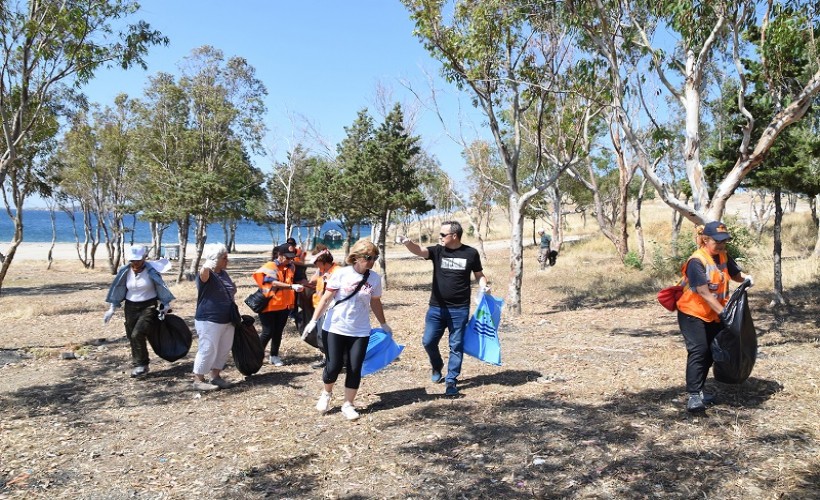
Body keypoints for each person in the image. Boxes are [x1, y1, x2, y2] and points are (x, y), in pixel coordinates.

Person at [304, 239, 391, 421]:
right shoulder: (342, 274)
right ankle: (327, 394)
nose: (372, 261)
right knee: (334, 365)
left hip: (360, 330)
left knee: (354, 368)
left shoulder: (374, 278)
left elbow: (375, 302)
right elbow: (326, 298)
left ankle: (348, 404)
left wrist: (383, 324)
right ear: (357, 257)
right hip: (335, 327)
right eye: (368, 257)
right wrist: (313, 321)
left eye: (375, 257)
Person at [398, 221, 488, 396]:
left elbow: (479, 274)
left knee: (456, 345)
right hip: (436, 308)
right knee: (428, 341)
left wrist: (484, 286)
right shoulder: (438, 251)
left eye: (442, 235)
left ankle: (451, 380)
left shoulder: (471, 253)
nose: (439, 237)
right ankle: (437, 365)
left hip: (459, 309)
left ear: (454, 236)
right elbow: (419, 250)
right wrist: (407, 242)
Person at [676, 221, 753, 413]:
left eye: (724, 241)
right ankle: (693, 396)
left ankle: (701, 391)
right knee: (699, 351)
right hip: (692, 312)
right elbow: (703, 292)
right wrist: (723, 312)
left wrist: (747, 278)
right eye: (716, 241)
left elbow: (735, 275)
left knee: (711, 351)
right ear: (705, 239)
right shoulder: (697, 261)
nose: (720, 245)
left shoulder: (723, 255)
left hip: (714, 313)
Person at [104, 245, 175, 378]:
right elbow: (118, 289)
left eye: (138, 260)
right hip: (130, 307)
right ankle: (140, 365)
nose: (135, 263)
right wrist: (112, 308)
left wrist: (166, 304)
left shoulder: (151, 271)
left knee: (138, 334)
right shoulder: (125, 271)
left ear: (144, 258)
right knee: (132, 336)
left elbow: (161, 287)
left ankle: (141, 365)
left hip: (148, 306)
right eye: (132, 260)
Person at [192, 243, 237, 391]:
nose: (227, 261)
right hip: (209, 319)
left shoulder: (224, 273)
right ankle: (198, 379)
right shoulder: (207, 274)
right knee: (207, 348)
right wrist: (207, 265)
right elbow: (203, 273)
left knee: (223, 348)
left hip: (227, 318)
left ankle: (215, 377)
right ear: (215, 259)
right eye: (224, 258)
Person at [252, 244, 304, 366]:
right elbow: (272, 282)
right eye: (287, 257)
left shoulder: (291, 266)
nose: (290, 260)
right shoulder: (270, 266)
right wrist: (291, 287)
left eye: (292, 257)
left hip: (284, 306)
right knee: (267, 332)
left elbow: (294, 280)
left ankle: (274, 356)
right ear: (279, 256)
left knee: (278, 332)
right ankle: (255, 356)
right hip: (268, 305)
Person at [305, 245, 340, 369]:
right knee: (321, 335)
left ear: (323, 262)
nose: (315, 265)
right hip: (319, 307)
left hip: (331, 309)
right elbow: (312, 282)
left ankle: (334, 361)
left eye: (316, 263)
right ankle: (326, 358)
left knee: (329, 335)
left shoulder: (337, 272)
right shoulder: (321, 271)